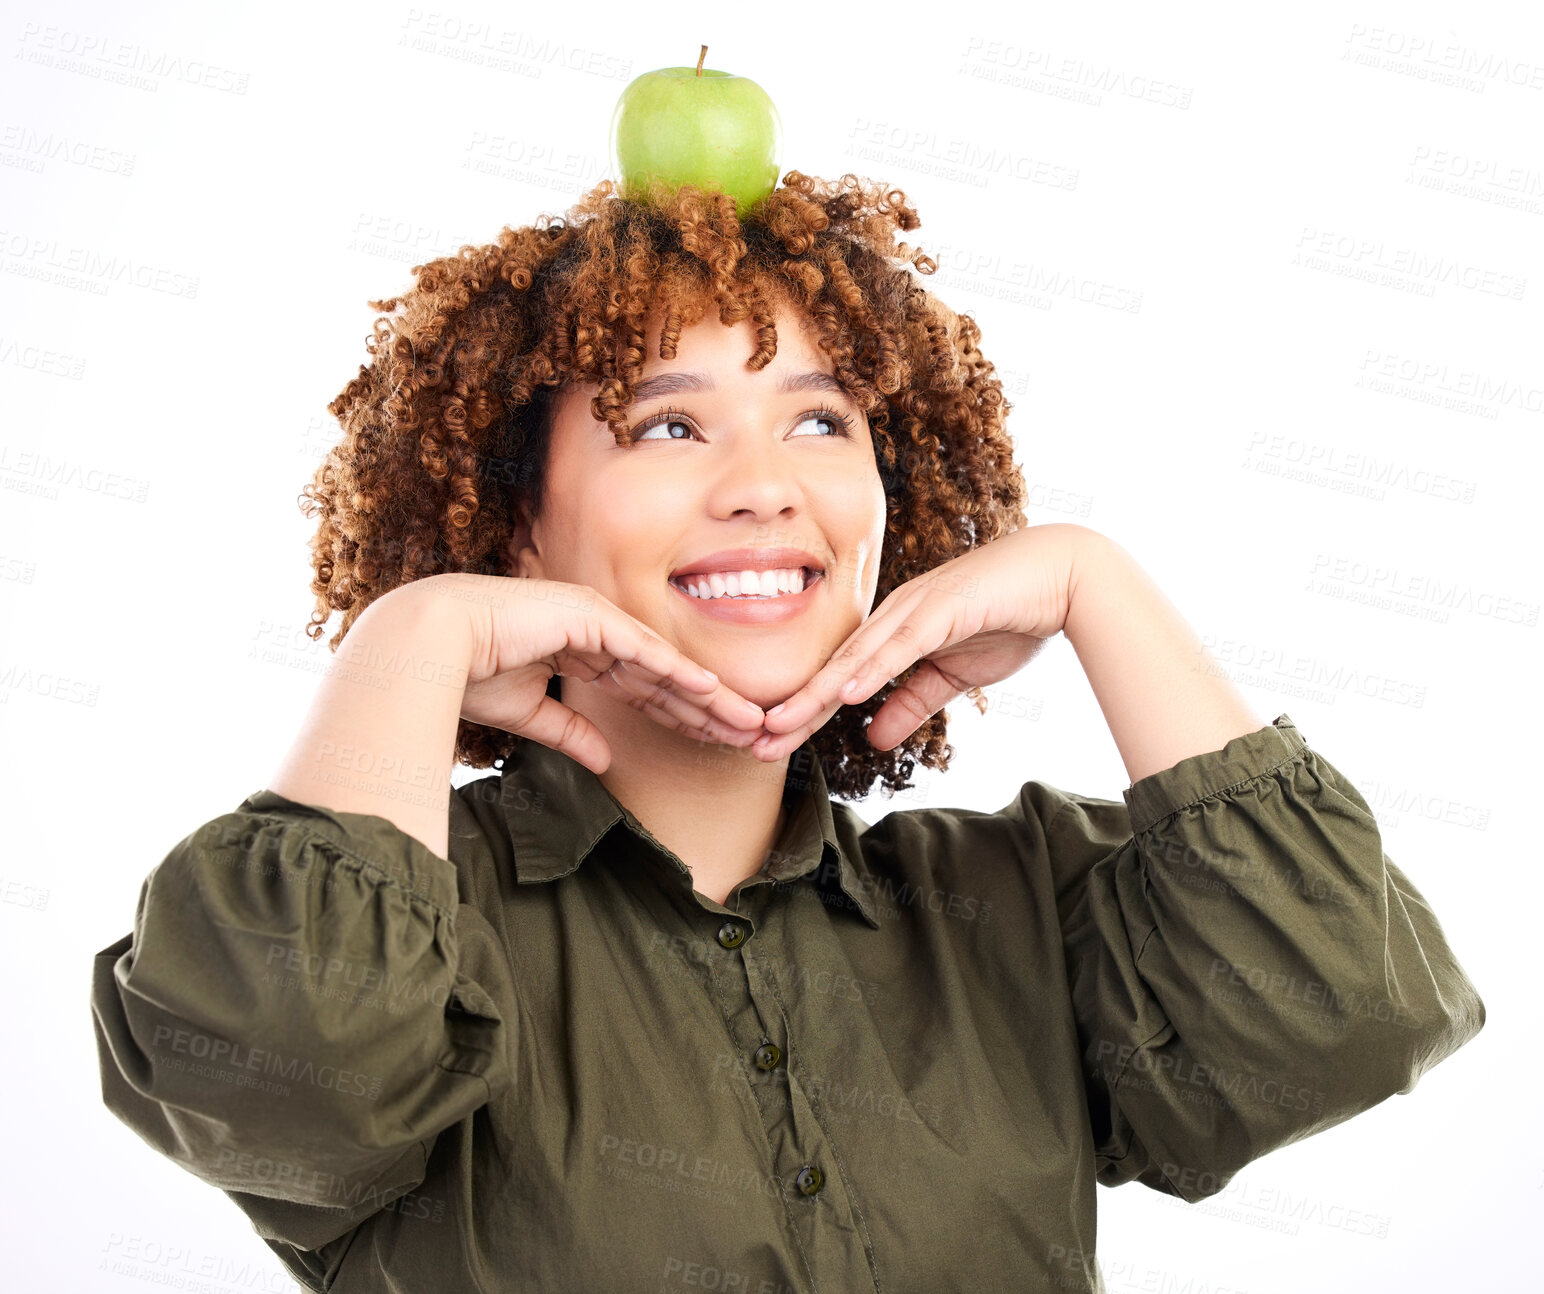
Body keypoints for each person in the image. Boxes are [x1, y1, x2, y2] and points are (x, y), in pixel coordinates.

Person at [89, 172, 1485, 1293]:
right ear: (518, 525)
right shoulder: (417, 944)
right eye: (668, 429)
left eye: (818, 420)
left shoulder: (1017, 902)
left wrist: (1095, 583)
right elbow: (296, 1080)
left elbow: (1343, 1019)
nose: (764, 487)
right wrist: (407, 639)